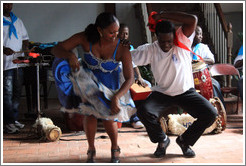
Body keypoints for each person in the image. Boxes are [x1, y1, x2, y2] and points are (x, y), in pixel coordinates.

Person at [131, 11, 217, 158]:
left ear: (174, 37)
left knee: (210, 114)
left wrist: (163, 15)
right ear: (156, 38)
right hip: (162, 93)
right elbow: (127, 57)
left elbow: (192, 19)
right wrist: (122, 47)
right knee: (143, 111)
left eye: (169, 41)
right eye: (162, 41)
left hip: (185, 92)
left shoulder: (182, 41)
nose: (166, 45)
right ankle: (162, 140)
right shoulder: (150, 49)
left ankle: (184, 141)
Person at [51, 12, 135, 163]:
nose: (115, 35)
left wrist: (116, 97)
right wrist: (70, 56)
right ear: (99, 30)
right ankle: (91, 148)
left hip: (111, 87)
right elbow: (56, 49)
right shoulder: (84, 38)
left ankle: (115, 147)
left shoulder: (122, 47)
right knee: (89, 115)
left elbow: (130, 78)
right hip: (89, 84)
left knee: (109, 118)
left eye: (117, 31)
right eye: (111, 32)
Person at [118, 23, 150, 129]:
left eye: (126, 34)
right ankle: (134, 119)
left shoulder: (129, 47)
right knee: (127, 91)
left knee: (146, 85)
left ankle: (142, 115)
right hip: (119, 77)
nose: (124, 36)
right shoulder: (114, 46)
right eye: (122, 33)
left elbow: (134, 65)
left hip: (130, 76)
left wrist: (140, 77)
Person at [3, 3, 29, 134]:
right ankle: (8, 122)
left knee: (17, 93)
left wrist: (25, 50)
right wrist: (3, 49)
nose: (8, 5)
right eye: (5, 3)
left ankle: (14, 119)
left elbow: (25, 39)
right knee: (6, 94)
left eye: (10, 3)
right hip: (4, 65)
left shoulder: (17, 21)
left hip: (18, 63)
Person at [191, 25, 226, 108]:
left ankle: (219, 108)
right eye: (198, 34)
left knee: (215, 84)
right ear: (192, 35)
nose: (201, 36)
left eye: (201, 34)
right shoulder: (185, 47)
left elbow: (211, 60)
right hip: (189, 76)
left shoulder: (203, 47)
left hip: (202, 75)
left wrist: (201, 61)